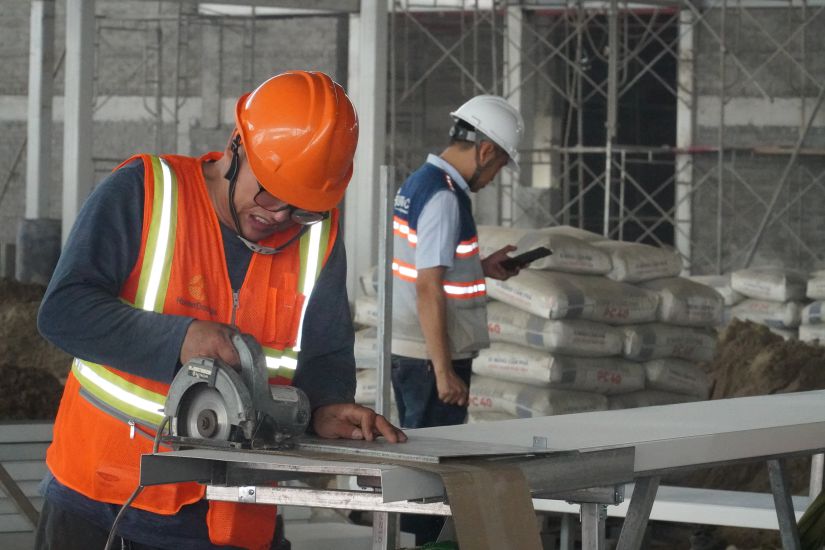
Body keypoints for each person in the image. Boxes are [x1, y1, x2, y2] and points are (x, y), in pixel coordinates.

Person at [35, 70, 406, 550]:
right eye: (268, 191)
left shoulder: (318, 236)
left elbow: (326, 354)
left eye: (301, 208)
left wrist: (325, 406)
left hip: (235, 515)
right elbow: (63, 311)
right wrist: (180, 339)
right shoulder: (146, 192)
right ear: (236, 147)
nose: (278, 216)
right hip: (103, 504)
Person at [390, 94, 524, 544]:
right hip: (431, 357)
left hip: (415, 351)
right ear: (484, 151)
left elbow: (432, 267)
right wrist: (443, 370)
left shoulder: (419, 184)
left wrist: (481, 267)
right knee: (433, 478)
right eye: (499, 164)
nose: (495, 175)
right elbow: (428, 287)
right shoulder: (445, 198)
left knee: (423, 468)